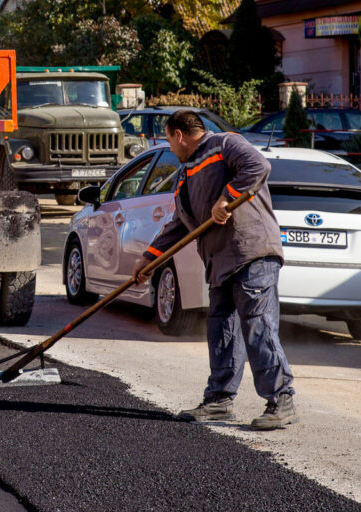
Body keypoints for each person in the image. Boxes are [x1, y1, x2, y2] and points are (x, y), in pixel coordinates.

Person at [131, 110, 296, 430]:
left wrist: (227, 198)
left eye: (168, 140)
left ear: (179, 135)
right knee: (222, 331)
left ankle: (282, 398)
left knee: (258, 325)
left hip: (251, 253)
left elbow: (259, 166)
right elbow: (179, 224)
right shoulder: (185, 176)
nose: (170, 147)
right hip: (219, 263)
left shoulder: (225, 144)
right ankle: (219, 400)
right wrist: (148, 259)